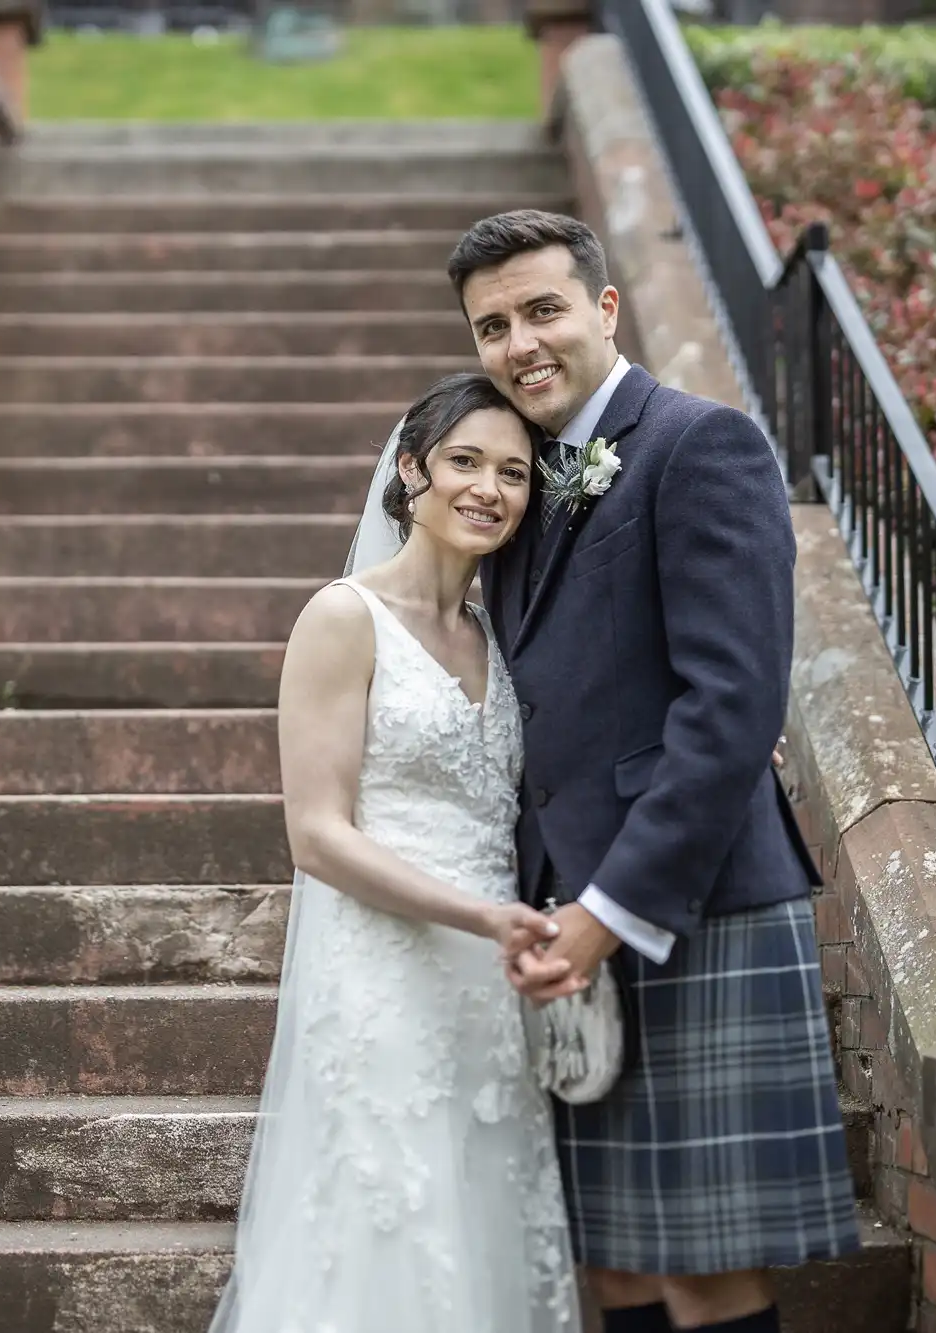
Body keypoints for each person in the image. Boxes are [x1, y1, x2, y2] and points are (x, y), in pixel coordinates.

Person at [458, 209, 859, 1333]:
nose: (518, 344)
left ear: (602, 307)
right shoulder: (516, 477)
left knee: (704, 1266)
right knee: (611, 1265)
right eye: (490, 326)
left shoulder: (701, 443)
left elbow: (730, 710)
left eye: (540, 310)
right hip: (561, 909)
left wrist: (609, 909)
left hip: (687, 900)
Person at [208, 371, 583, 1333]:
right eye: (464, 461)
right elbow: (317, 834)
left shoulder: (504, 635)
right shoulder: (343, 617)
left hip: (497, 977)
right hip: (383, 962)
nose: (488, 489)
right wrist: (477, 916)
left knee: (487, 1203)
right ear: (411, 470)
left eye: (512, 470)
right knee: (392, 1212)